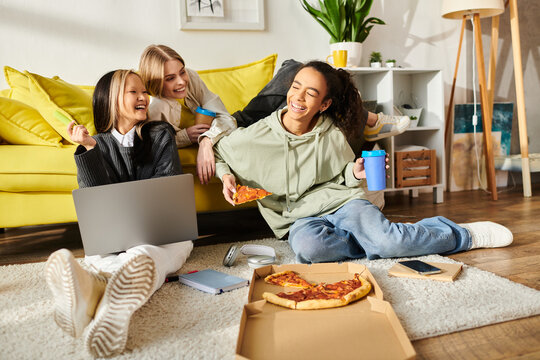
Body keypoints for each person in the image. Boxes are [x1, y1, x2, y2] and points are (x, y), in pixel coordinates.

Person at [214, 61, 513, 264]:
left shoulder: (330, 133)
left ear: (325, 104)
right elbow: (220, 151)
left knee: (388, 242)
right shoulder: (257, 134)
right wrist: (225, 176)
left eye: (311, 93)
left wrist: (354, 171)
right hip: (298, 218)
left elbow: (341, 175)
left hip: (342, 202)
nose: (298, 97)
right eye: (296, 86)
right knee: (310, 250)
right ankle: (385, 238)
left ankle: (463, 235)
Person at [44, 70, 193, 358]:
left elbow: (166, 192)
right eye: (133, 92)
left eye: (144, 92)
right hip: (112, 242)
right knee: (102, 256)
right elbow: (97, 205)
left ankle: (95, 294)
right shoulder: (97, 143)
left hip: (162, 236)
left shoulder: (160, 134)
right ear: (111, 101)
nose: (143, 97)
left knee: (145, 255)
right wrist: (89, 150)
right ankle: (104, 299)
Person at [232, 59, 410, 144]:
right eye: (295, 87)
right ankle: (371, 120)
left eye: (307, 92)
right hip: (246, 126)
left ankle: (370, 120)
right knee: (294, 68)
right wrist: (209, 138)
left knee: (305, 76)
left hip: (265, 122)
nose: (299, 95)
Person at [139, 44, 237, 185]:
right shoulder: (154, 107)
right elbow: (151, 144)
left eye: (182, 72)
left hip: (220, 132)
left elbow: (225, 117)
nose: (181, 81)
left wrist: (206, 141)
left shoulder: (191, 77)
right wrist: (185, 136)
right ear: (155, 82)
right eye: (170, 78)